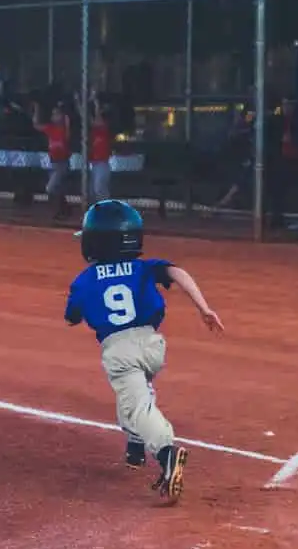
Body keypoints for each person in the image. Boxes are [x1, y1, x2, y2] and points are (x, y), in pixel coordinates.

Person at [62, 199, 225, 504]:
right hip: (153, 346)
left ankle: (167, 453)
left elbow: (71, 317)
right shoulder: (144, 267)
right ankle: (136, 446)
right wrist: (203, 308)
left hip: (120, 351)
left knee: (139, 408)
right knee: (137, 397)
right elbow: (178, 273)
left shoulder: (84, 280)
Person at [33, 101, 73, 220]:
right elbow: (36, 125)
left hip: (62, 163)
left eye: (56, 114)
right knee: (58, 188)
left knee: (50, 188)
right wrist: (36, 109)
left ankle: (60, 210)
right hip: (53, 162)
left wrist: (65, 117)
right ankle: (63, 210)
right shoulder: (50, 128)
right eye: (53, 114)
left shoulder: (64, 129)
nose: (53, 117)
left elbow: (68, 132)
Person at [77, 90, 114, 204]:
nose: (97, 120)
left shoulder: (105, 129)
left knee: (99, 190)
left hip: (103, 164)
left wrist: (95, 101)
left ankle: (107, 212)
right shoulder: (95, 130)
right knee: (91, 192)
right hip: (93, 164)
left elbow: (97, 117)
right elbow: (84, 116)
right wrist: (78, 101)